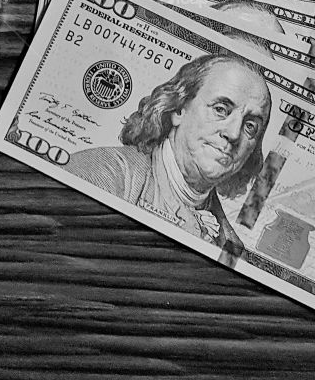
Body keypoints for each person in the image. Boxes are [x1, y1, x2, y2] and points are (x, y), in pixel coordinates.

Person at [66, 54, 271, 261]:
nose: (234, 133)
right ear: (179, 109)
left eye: (250, 126)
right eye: (220, 110)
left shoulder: (233, 250)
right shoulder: (104, 173)